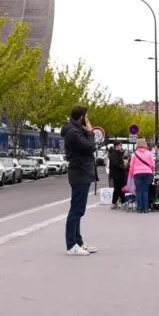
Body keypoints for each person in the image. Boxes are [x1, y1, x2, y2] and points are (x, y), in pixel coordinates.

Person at [62, 106, 98, 255]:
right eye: (86, 116)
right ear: (81, 117)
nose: (88, 119)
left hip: (82, 172)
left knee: (79, 210)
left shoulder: (76, 131)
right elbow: (90, 147)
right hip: (79, 172)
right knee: (76, 210)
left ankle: (78, 242)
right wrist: (90, 131)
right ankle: (71, 245)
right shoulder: (73, 132)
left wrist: (87, 132)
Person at [128, 138, 156, 213]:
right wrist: (151, 170)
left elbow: (131, 166)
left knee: (139, 191)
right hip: (148, 173)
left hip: (137, 174)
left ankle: (139, 208)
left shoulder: (134, 154)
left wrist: (131, 174)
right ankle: (146, 209)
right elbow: (153, 165)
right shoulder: (149, 153)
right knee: (145, 191)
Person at [107, 142, 128, 210]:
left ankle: (122, 202)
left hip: (120, 174)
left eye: (121, 145)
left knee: (121, 189)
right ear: (116, 146)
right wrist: (123, 167)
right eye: (120, 145)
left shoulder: (118, 153)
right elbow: (115, 164)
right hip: (116, 174)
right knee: (117, 189)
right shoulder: (113, 154)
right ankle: (114, 203)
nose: (121, 146)